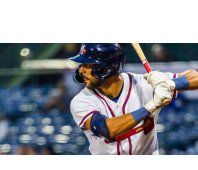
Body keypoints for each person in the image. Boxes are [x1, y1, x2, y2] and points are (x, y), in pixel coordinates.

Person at [70, 43, 198, 155]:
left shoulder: (143, 83)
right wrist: (151, 106)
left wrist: (170, 84)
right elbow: (107, 129)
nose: (81, 70)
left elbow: (194, 76)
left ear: (105, 68)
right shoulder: (81, 100)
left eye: (87, 64)